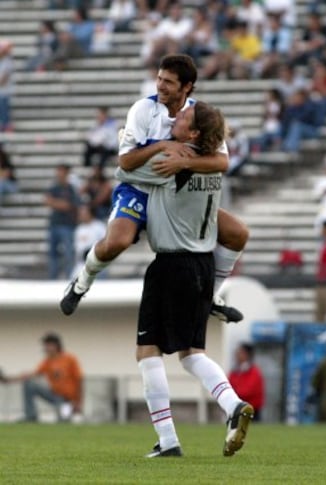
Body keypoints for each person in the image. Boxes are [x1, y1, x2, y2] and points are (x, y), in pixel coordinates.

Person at [60, 54, 249, 323]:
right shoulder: (142, 110)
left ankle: (211, 298)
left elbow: (222, 161)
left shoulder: (200, 116)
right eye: (159, 79)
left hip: (177, 195)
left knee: (237, 234)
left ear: (187, 87)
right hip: (139, 190)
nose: (160, 86)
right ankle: (81, 283)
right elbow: (125, 162)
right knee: (117, 242)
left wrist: (184, 163)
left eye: (168, 82)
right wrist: (162, 146)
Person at [119, 100, 254, 457]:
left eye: (183, 118)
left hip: (171, 264)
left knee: (148, 350)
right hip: (203, 264)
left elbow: (125, 170)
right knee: (192, 353)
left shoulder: (171, 162)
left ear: (193, 134)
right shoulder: (209, 165)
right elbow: (218, 160)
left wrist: (131, 142)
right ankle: (233, 405)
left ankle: (168, 441)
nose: (176, 117)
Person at [0, 333, 83, 422]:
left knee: (64, 421)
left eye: (47, 345)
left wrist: (78, 402)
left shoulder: (70, 359)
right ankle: (31, 416)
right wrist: (8, 380)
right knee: (29, 384)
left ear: (55, 345)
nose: (45, 348)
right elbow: (31, 375)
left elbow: (79, 380)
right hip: (54, 395)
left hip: (67, 400)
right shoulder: (48, 361)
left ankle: (66, 415)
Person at [45, 163, 81, 279]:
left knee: (68, 254)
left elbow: (69, 205)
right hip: (54, 224)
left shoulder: (71, 188)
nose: (59, 174)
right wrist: (60, 204)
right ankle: (52, 278)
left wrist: (56, 203)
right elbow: (48, 201)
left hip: (67, 225)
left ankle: (69, 277)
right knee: (53, 254)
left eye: (61, 171)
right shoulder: (54, 187)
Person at [228, 343, 265, 421]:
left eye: (240, 352)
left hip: (252, 411)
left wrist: (232, 394)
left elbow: (247, 391)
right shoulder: (235, 371)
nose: (237, 355)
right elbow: (228, 385)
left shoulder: (254, 372)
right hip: (237, 410)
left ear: (247, 355)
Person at [73, 205, 106, 278]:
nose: (81, 216)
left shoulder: (99, 226)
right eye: (80, 214)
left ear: (90, 213)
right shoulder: (79, 229)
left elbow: (105, 244)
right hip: (81, 264)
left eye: (83, 213)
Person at [0, 40, 13, 132]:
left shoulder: (7, 62)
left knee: (4, 113)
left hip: (4, 92)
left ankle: (6, 128)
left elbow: (3, 80)